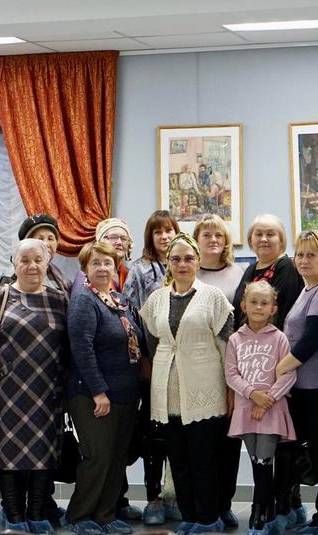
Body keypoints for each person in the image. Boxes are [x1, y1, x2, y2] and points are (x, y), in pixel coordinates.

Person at [139, 233, 234, 534]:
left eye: (189, 258)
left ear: (198, 261)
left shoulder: (213, 297)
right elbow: (152, 344)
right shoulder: (156, 299)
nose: (182, 264)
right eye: (176, 258)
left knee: (203, 459)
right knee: (178, 461)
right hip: (167, 392)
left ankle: (209, 519)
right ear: (168, 262)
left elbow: (227, 347)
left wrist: (231, 391)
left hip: (205, 389)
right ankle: (190, 516)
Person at [0, 239, 67, 533]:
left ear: (47, 263)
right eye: (24, 260)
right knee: (9, 454)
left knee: (44, 452)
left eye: (38, 260)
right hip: (8, 391)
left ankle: (37, 515)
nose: (32, 266)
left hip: (48, 392)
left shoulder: (59, 299)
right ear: (14, 264)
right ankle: (14, 518)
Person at [65, 242, 144, 534]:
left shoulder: (119, 300)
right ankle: (79, 516)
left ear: (116, 267)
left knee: (116, 458)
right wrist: (98, 391)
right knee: (97, 457)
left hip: (125, 394)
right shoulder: (83, 301)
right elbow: (82, 349)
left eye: (107, 263)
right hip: (93, 395)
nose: (102, 268)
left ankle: (105, 515)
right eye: (95, 263)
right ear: (85, 268)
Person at [232, 214, 305, 526]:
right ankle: (273, 507)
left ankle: (283, 507)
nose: (264, 239)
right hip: (250, 378)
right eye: (258, 233)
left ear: (282, 240)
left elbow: (282, 319)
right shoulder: (251, 270)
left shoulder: (286, 269)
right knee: (261, 453)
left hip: (278, 371)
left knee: (283, 447)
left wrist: (273, 384)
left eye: (271, 234)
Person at [275, 230, 318, 535]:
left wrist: (277, 370)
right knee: (316, 452)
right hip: (303, 387)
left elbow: (310, 340)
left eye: (311, 255)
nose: (304, 260)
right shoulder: (307, 289)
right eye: (300, 255)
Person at [123, 209, 181, 525]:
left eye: (169, 230)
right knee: (153, 434)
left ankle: (175, 495)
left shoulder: (185, 263)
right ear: (150, 237)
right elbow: (130, 317)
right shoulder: (139, 270)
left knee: (179, 431)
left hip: (182, 366)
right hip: (152, 363)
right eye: (158, 231)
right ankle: (153, 498)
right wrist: (143, 358)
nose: (164, 236)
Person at [226, 281, 297, 535]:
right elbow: (231, 374)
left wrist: (267, 399)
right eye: (253, 302)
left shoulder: (279, 338)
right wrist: (253, 395)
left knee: (265, 460)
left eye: (264, 303)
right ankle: (266, 509)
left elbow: (289, 374)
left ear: (273, 309)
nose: (258, 307)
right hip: (246, 410)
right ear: (244, 306)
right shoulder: (235, 339)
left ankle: (259, 515)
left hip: (272, 410)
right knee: (257, 463)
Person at [192, 213, 244, 527]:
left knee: (228, 440)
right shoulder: (188, 272)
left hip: (231, 364)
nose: (213, 240)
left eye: (219, 235)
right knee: (202, 442)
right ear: (196, 241)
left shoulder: (239, 274)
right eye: (207, 235)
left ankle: (224, 503)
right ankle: (204, 506)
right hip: (197, 366)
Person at [72, 218, 134, 295]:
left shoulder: (130, 275)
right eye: (113, 237)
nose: (119, 242)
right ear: (100, 241)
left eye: (124, 239)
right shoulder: (87, 275)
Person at [15, 213, 72, 295]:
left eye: (50, 238)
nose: (46, 244)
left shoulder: (64, 281)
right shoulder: (11, 279)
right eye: (40, 239)